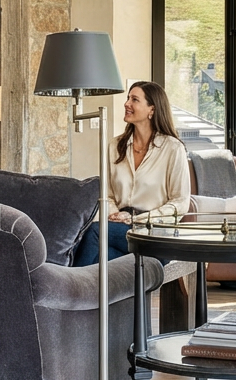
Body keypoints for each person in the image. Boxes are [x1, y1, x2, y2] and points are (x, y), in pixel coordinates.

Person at [71, 81, 191, 267]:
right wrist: (117, 214)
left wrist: (136, 219)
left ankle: (68, 291)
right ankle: (79, 291)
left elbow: (180, 203)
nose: (127, 103)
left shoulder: (173, 148)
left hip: (155, 232)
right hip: (121, 227)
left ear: (152, 109)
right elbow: (107, 194)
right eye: (128, 98)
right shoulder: (115, 146)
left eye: (134, 99)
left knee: (94, 232)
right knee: (99, 258)